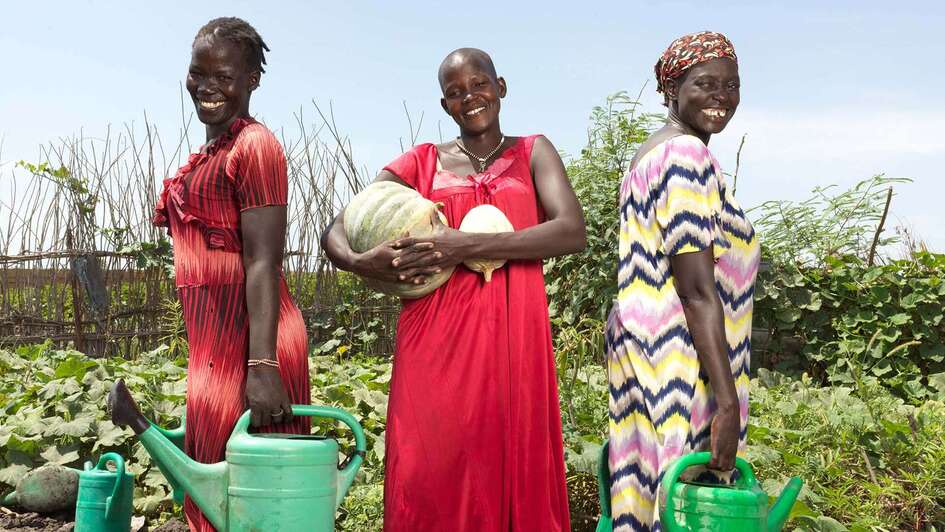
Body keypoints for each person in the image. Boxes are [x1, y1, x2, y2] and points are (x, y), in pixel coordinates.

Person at [321, 48, 585, 532]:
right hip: (434, 341)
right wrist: (361, 261)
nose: (471, 98)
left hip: (513, 337)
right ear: (445, 106)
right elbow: (337, 226)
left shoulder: (533, 152)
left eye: (479, 84)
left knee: (509, 458)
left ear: (501, 87)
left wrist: (463, 243)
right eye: (456, 92)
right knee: (429, 465)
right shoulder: (422, 162)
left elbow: (571, 232)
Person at [151, 17, 310, 531]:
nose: (207, 87)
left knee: (251, 499)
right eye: (199, 73)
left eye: (224, 76)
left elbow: (264, 260)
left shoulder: (255, 147)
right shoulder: (212, 153)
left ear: (251, 81)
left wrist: (262, 365)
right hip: (215, 346)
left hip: (252, 344)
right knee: (223, 491)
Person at [606, 31, 760, 531]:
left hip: (645, 347)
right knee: (686, 506)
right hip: (683, 361)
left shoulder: (651, 154)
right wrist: (727, 402)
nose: (722, 96)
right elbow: (696, 288)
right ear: (671, 89)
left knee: (642, 495)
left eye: (731, 85)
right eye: (706, 83)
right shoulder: (686, 156)